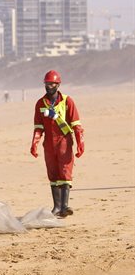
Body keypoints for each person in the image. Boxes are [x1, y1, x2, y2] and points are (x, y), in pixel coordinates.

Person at [30, 70, 84, 217]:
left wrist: (80, 143)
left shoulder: (67, 101)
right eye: (47, 83)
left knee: (65, 172)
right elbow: (38, 127)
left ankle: (65, 206)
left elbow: (76, 124)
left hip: (64, 141)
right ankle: (57, 207)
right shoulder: (40, 103)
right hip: (49, 144)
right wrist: (34, 143)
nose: (49, 86)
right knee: (53, 173)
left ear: (58, 84)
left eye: (52, 83)